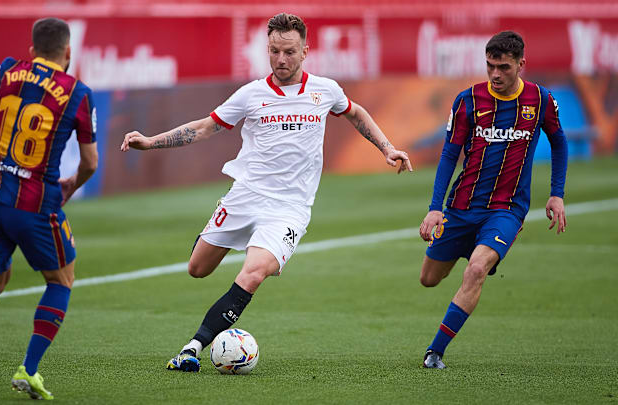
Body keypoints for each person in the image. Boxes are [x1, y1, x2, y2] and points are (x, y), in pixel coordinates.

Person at [121, 12, 412, 372]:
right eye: (274, 51)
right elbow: (205, 128)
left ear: (305, 51)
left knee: (253, 273)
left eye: (289, 52)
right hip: (245, 196)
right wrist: (151, 142)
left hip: (289, 209)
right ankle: (218, 223)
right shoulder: (251, 94)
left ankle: (192, 348)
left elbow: (355, 113)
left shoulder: (325, 90)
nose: (280, 59)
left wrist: (387, 148)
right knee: (197, 268)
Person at [0, 17, 98, 398]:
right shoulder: (77, 93)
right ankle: (28, 369)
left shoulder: (9, 70)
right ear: (68, 52)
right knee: (60, 281)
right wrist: (71, 186)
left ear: (32, 50)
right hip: (35, 203)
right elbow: (90, 163)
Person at [418, 31, 567, 369]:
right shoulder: (468, 101)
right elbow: (449, 155)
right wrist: (435, 209)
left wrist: (556, 193)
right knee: (429, 278)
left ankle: (435, 352)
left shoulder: (541, 100)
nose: (495, 74)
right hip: (461, 207)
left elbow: (559, 142)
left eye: (503, 67)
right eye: (490, 66)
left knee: (476, 270)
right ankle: (470, 245)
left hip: (506, 210)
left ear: (521, 64)